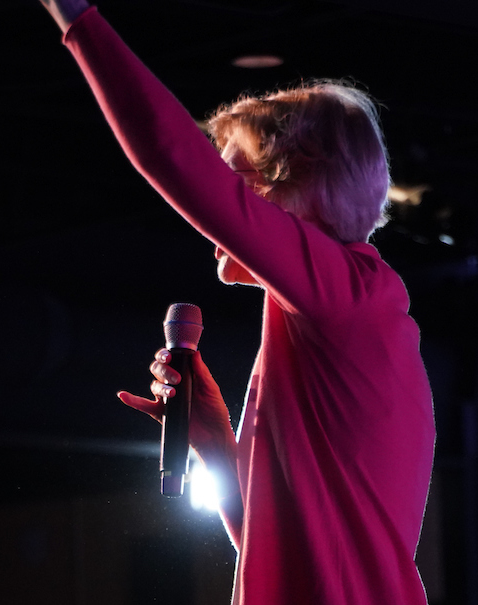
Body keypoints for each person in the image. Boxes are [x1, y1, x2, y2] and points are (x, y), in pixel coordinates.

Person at [39, 1, 436, 603]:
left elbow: (171, 157)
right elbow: (276, 543)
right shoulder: (323, 317)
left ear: (298, 185)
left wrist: (74, 17)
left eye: (237, 183)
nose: (218, 219)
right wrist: (217, 442)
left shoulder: (353, 299)